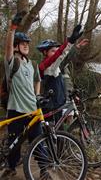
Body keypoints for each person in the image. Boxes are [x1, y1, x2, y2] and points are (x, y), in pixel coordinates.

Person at [0, 12, 45, 179]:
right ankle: (11, 168)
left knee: (38, 141)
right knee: (14, 144)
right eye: (22, 43)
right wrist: (12, 29)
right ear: (16, 46)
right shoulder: (12, 62)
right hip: (16, 110)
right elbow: (7, 48)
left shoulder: (31, 64)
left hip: (32, 110)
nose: (26, 45)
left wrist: (37, 95)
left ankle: (44, 169)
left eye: (27, 43)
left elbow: (37, 80)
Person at [36, 25, 86, 126]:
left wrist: (74, 46)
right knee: (55, 135)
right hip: (52, 105)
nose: (55, 53)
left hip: (58, 104)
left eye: (56, 50)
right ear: (45, 52)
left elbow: (64, 57)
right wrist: (70, 41)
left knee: (59, 133)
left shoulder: (55, 66)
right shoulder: (48, 66)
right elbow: (60, 54)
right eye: (52, 51)